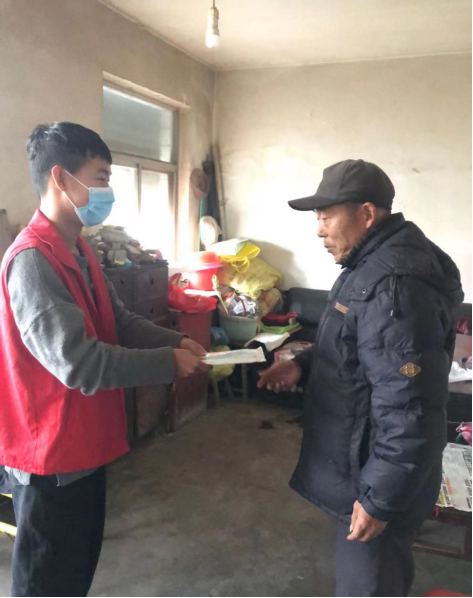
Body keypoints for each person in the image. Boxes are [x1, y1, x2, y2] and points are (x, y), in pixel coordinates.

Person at [0, 122, 209, 597]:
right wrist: (167, 363)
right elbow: (80, 364)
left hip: (84, 447)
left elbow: (120, 322)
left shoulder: (79, 250)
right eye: (101, 177)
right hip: (50, 460)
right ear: (61, 178)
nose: (107, 191)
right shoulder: (32, 261)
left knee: (74, 575)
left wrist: (177, 342)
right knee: (46, 583)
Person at [258, 159, 464, 597]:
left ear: (367, 214)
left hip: (376, 476)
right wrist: (303, 364)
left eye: (326, 217)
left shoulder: (394, 286)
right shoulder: (369, 267)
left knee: (368, 587)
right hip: (364, 468)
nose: (319, 231)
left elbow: (409, 408)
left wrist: (379, 500)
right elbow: (358, 345)